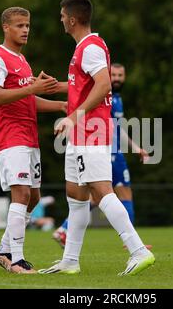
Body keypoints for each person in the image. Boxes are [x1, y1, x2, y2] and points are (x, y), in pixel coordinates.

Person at [39, 0, 155, 276]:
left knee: (102, 191)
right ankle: (70, 260)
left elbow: (103, 85)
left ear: (72, 19)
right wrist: (55, 87)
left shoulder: (89, 47)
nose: (61, 20)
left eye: (62, 15)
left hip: (90, 129)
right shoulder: (86, 47)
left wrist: (74, 116)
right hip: (82, 132)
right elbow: (84, 84)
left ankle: (139, 251)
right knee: (75, 194)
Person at [0, 7, 65, 274]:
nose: (25, 29)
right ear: (6, 27)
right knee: (22, 193)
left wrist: (61, 106)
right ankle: (17, 260)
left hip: (29, 136)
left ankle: (2, 250)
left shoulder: (23, 61)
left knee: (34, 198)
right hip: (10, 135)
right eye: (19, 25)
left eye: (28, 25)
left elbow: (28, 98)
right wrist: (32, 87)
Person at [52, 63, 152, 250]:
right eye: (113, 74)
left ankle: (63, 229)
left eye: (120, 75)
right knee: (122, 193)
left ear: (125, 77)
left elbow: (117, 128)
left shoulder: (117, 98)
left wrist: (135, 147)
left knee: (96, 196)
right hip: (108, 151)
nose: (116, 78)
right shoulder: (106, 97)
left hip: (107, 149)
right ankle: (131, 242)